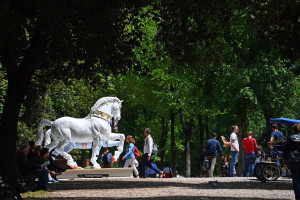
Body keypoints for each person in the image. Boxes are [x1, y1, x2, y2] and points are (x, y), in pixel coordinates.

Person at [283, 123, 300, 200]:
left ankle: (298, 196)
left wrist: (285, 158)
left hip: (293, 160)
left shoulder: (290, 138)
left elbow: (286, 150)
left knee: (295, 179)